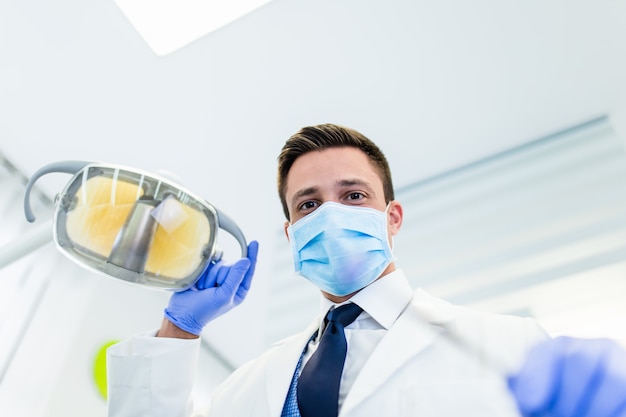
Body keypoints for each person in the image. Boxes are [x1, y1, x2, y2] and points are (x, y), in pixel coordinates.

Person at [107, 123, 626, 417]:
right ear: (291, 234)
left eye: (353, 196)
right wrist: (178, 331)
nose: (330, 214)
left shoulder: (510, 346)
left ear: (391, 218)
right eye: (308, 206)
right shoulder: (244, 390)